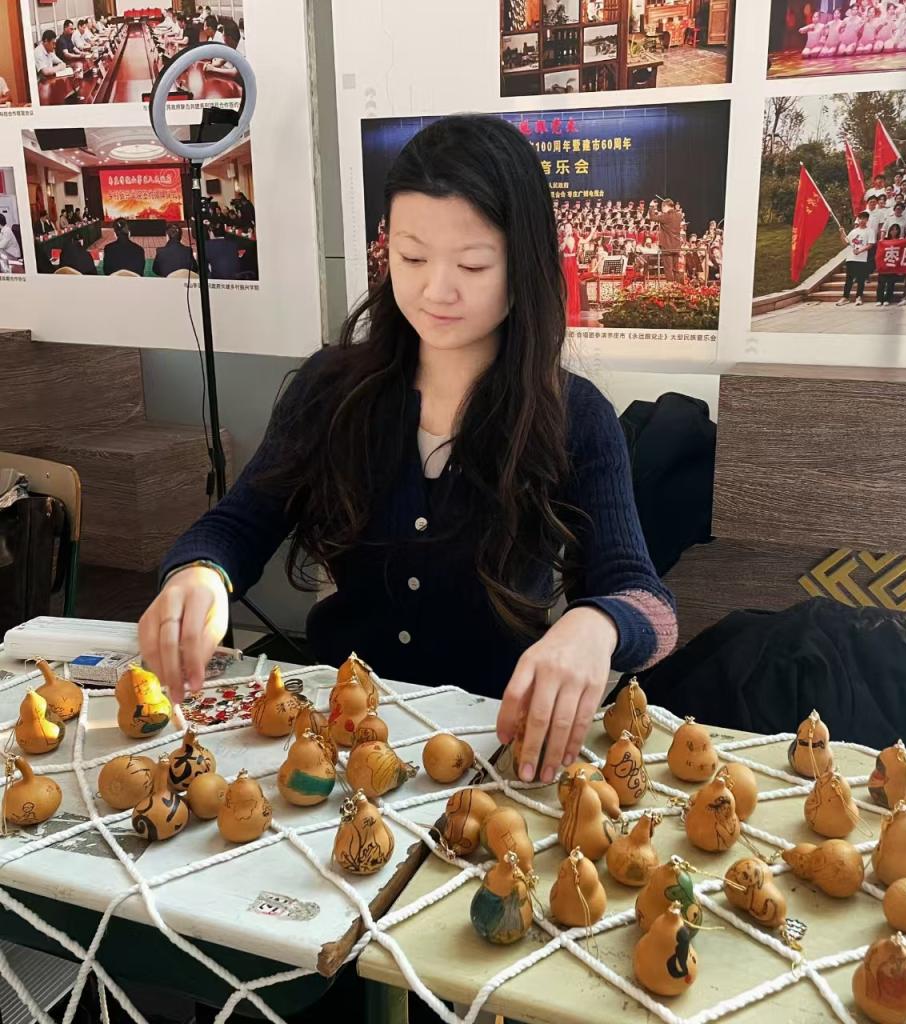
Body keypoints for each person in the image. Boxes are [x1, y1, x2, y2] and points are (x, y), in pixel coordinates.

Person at [139, 114, 677, 786]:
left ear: (525, 263)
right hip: (336, 735)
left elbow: (649, 604)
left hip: (488, 745)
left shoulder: (573, 416)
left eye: (472, 264)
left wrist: (596, 625)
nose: (436, 290)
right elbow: (239, 524)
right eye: (412, 258)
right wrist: (200, 576)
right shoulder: (333, 389)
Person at [836, 211, 873, 306]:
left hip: (862, 259)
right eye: (860, 218)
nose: (862, 220)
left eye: (864, 218)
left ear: (867, 220)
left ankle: (859, 297)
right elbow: (845, 242)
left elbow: (870, 245)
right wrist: (841, 233)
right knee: (849, 278)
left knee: (861, 279)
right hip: (851, 258)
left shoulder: (870, 231)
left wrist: (860, 250)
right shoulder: (854, 231)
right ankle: (845, 297)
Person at [648, 197, 682, 282]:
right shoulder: (679, 215)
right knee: (676, 269)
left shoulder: (666, 216)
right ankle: (678, 286)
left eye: (662, 207)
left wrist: (651, 207)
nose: (662, 210)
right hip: (676, 246)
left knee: (668, 269)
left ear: (665, 206)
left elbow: (652, 217)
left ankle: (670, 287)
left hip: (667, 247)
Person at [875, 223, 903, 305]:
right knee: (881, 283)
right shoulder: (884, 240)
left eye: (896, 230)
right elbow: (879, 253)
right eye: (892, 229)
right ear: (889, 230)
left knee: (891, 283)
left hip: (894, 265)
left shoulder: (900, 241)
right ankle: (879, 299)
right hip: (884, 264)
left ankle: (887, 299)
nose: (894, 231)